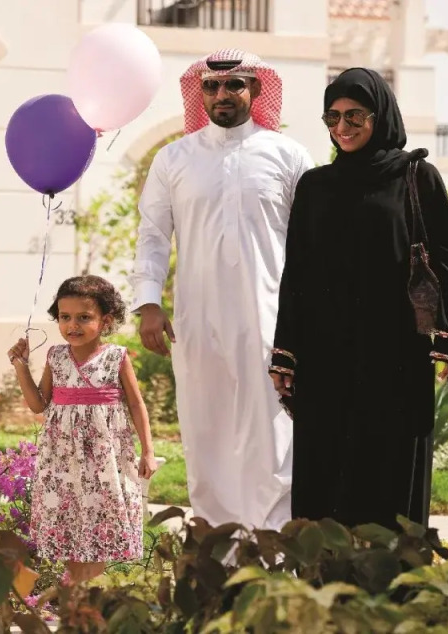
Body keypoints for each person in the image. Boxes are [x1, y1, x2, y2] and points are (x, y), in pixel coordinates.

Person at [269, 68, 448, 530]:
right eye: (332, 117)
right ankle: (324, 572)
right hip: (326, 358)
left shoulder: (417, 177)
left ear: (380, 116)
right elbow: (297, 274)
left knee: (389, 472)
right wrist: (286, 353)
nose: (342, 127)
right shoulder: (315, 186)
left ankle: (392, 573)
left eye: (354, 115)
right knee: (326, 475)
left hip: (396, 355)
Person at [130, 48, 315, 530]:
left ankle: (272, 550)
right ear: (200, 92)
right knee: (205, 431)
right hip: (198, 319)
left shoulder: (289, 156)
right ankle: (215, 549)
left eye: (235, 84)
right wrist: (148, 302)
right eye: (211, 86)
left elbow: (314, 243)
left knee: (272, 434)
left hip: (271, 318)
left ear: (256, 88)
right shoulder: (174, 158)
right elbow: (153, 235)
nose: (222, 94)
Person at [8, 275, 159, 584]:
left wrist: (148, 451)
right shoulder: (56, 356)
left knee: (100, 513)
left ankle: (89, 588)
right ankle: (75, 587)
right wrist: (20, 366)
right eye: (65, 317)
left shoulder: (116, 357)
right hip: (62, 456)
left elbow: (136, 404)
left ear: (106, 321)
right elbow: (38, 404)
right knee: (68, 516)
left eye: (83, 317)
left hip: (104, 456)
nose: (72, 325)